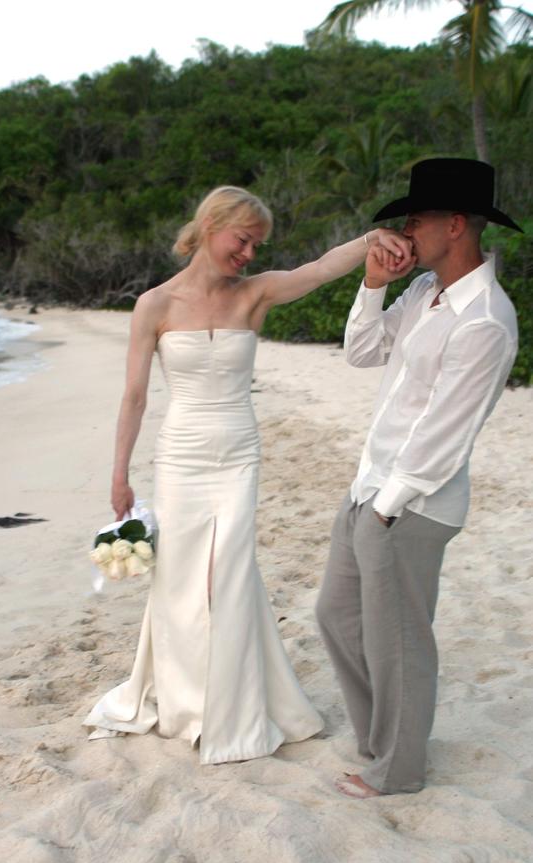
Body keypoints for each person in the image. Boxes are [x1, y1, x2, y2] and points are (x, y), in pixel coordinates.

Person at [84, 185, 410, 764]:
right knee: (181, 580)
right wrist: (119, 476)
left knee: (230, 574)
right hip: (180, 457)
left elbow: (316, 270)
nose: (250, 254)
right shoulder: (154, 306)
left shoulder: (254, 296)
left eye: (258, 245)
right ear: (211, 225)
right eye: (244, 240)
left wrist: (369, 241)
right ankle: (185, 702)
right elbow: (134, 397)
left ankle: (230, 709)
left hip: (238, 454)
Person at [316, 158, 520, 797]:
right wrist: (374, 283)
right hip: (369, 486)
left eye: (417, 219)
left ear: (455, 225)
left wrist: (387, 507)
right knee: (336, 617)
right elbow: (361, 352)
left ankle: (397, 769)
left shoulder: (485, 317)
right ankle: (380, 741)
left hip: (410, 504)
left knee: (398, 641)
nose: (406, 230)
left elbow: (445, 433)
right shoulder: (424, 293)